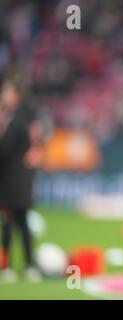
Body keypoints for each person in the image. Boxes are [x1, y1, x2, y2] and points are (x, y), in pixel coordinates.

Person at [0, 79, 42, 282]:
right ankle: (17, 265)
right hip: (11, 180)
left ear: (15, 95)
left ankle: (21, 265)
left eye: (7, 92)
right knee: (12, 223)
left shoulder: (18, 119)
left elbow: (6, 149)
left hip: (14, 182)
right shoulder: (13, 118)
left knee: (16, 222)